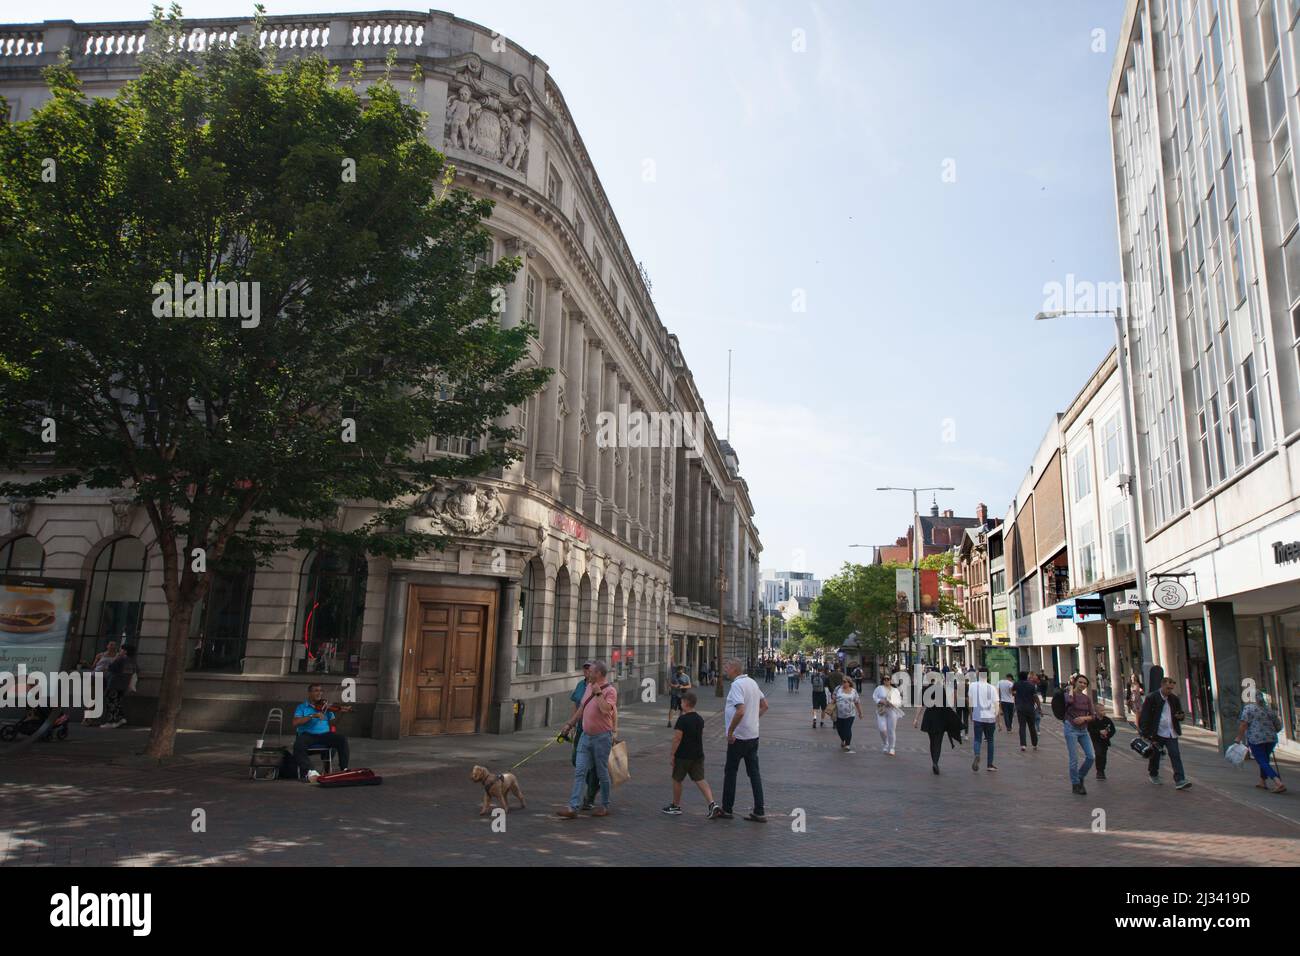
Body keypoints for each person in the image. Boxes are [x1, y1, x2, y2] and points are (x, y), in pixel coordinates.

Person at [558, 660, 618, 818]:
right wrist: (569, 724)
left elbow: (606, 710)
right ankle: (573, 807)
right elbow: (582, 708)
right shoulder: (587, 687)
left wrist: (598, 693)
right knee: (580, 771)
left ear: (598, 673)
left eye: (590, 671)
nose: (587, 674)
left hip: (602, 738)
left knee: (602, 772)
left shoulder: (610, 691)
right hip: (585, 736)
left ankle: (604, 805)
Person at [715, 657, 768, 822]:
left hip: (739, 737)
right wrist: (754, 719)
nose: (725, 669)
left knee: (731, 772)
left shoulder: (737, 685)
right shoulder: (752, 682)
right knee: (754, 774)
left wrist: (730, 731)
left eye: (727, 666)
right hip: (753, 735)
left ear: (734, 669)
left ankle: (727, 808)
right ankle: (759, 810)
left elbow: (740, 710)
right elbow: (765, 705)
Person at [663, 691, 720, 815]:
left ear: (685, 703)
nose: (680, 704)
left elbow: (677, 738)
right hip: (698, 754)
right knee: (700, 779)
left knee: (677, 779)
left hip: (683, 755)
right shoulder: (699, 719)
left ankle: (676, 806)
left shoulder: (682, 720)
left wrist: (672, 754)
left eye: (682, 702)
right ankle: (712, 803)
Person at [1138, 676, 1192, 790]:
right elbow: (1145, 715)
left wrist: (1180, 716)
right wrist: (1145, 732)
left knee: (1175, 754)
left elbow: (1180, 713)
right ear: (1162, 685)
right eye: (1168, 688)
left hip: (1171, 732)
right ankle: (1153, 773)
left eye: (1171, 689)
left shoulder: (1174, 698)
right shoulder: (1152, 698)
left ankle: (1180, 780)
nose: (1169, 691)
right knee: (1155, 755)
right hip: (1157, 732)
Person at [292, 682, 352, 781]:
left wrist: (341, 713)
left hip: (324, 734)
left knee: (342, 739)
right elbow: (295, 722)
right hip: (308, 735)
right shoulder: (302, 707)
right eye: (316, 691)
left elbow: (333, 724)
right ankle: (310, 770)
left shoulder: (326, 707)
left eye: (321, 691)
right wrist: (312, 716)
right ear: (309, 693)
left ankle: (344, 768)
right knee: (298, 744)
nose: (319, 693)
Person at [562, 661, 600, 810]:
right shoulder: (580, 686)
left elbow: (610, 710)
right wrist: (571, 725)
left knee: (595, 766)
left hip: (595, 731)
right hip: (580, 729)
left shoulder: (600, 687)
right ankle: (592, 784)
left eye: (588, 669)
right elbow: (577, 706)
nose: (586, 671)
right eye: (584, 668)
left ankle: (589, 796)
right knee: (575, 760)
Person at [1236, 693, 1286, 793]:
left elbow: (1243, 724)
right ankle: (1262, 781)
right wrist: (1269, 732)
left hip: (1256, 739)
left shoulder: (1248, 708)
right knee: (1264, 760)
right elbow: (1279, 726)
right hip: (1271, 739)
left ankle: (1277, 782)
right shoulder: (1269, 709)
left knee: (1261, 761)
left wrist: (1239, 737)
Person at [914, 675, 962, 773]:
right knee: (938, 741)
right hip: (940, 718)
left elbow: (920, 705)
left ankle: (934, 761)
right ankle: (935, 762)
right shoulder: (941, 689)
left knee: (932, 741)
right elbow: (946, 705)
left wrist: (916, 719)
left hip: (929, 717)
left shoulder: (924, 690)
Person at [1063, 674, 1098, 795]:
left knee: (1091, 756)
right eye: (1080, 682)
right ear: (1075, 683)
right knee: (1074, 759)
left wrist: (1084, 718)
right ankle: (1076, 784)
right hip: (1071, 728)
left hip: (1083, 730)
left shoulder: (1087, 698)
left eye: (1085, 683)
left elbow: (1093, 716)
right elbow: (1069, 701)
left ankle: (1080, 776)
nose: (1082, 685)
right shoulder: (1068, 695)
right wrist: (1071, 690)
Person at [968, 670, 998, 772]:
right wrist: (999, 720)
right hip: (990, 718)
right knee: (990, 740)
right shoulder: (992, 688)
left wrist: (971, 713)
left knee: (977, 739)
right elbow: (996, 704)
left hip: (978, 717)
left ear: (978, 675)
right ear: (987, 675)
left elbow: (970, 700)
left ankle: (977, 754)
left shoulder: (973, 686)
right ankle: (990, 764)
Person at [103, 645, 138, 728]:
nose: (120, 651)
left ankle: (112, 721)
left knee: (111, 702)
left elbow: (110, 667)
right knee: (118, 702)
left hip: (114, 684)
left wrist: (115, 659)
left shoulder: (121, 659)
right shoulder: (132, 661)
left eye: (121, 650)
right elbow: (136, 670)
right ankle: (120, 718)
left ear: (125, 651)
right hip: (124, 685)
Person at [872, 673, 904, 755]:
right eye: (884, 679)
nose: (886, 681)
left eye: (888, 679)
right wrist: (880, 701)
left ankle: (892, 747)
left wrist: (893, 703)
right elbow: (875, 696)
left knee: (891, 730)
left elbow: (899, 701)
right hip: (881, 710)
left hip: (892, 711)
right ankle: (885, 743)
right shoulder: (879, 688)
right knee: (882, 729)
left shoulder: (895, 690)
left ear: (890, 680)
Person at [832, 676, 863, 753]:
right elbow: (833, 696)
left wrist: (860, 713)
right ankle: (843, 739)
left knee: (847, 729)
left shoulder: (853, 691)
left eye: (845, 682)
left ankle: (847, 745)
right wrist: (833, 699)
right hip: (839, 714)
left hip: (850, 714)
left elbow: (857, 702)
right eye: (842, 682)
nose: (843, 683)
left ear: (849, 683)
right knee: (839, 729)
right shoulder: (838, 689)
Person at [1012, 670, 1041, 751]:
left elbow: (1012, 692)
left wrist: (1016, 695)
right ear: (1026, 677)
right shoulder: (1031, 685)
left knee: (1022, 726)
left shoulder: (1016, 684)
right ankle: (1034, 744)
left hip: (1020, 708)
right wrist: (1039, 708)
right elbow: (1035, 697)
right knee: (1032, 726)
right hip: (1030, 708)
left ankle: (1023, 745)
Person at [1088, 704, 1116, 781]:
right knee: (1098, 753)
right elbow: (1090, 730)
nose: (1104, 712)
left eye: (1104, 710)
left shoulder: (1107, 720)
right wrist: (1099, 731)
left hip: (1105, 741)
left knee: (1103, 755)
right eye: (1101, 710)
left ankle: (1102, 770)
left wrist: (1107, 735)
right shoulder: (1092, 720)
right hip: (1096, 740)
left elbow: (1113, 730)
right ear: (1096, 712)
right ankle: (1099, 771)